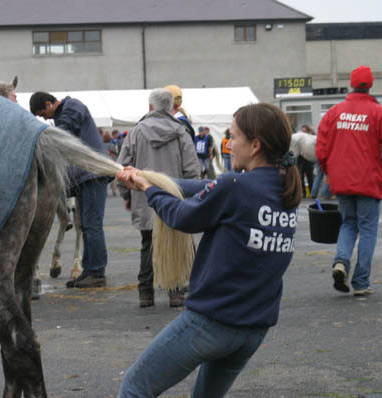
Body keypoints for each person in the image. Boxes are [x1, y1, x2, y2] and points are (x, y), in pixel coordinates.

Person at [116, 103, 302, 397]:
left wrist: (150, 191)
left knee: (135, 387)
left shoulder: (236, 186)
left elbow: (181, 217)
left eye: (234, 136)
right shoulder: (284, 189)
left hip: (211, 323)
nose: (229, 144)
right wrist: (153, 179)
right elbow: (208, 186)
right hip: (253, 329)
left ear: (255, 145)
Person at [316, 65, 382, 296]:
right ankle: (361, 282)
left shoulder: (334, 112)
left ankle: (341, 261)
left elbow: (322, 147)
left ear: (351, 84)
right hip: (368, 180)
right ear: (371, 85)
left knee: (348, 223)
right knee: (367, 229)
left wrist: (328, 170)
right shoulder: (379, 113)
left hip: (342, 180)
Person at [117, 89, 200, 308]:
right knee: (177, 244)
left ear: (150, 106)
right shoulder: (181, 132)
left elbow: (122, 167)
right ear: (172, 106)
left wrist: (127, 195)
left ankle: (145, 293)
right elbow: (192, 170)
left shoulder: (135, 132)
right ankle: (176, 292)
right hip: (175, 198)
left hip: (145, 199)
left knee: (148, 244)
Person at [29, 91, 109, 288]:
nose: (44, 118)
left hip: (92, 173)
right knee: (86, 225)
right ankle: (89, 270)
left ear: (49, 104)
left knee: (92, 225)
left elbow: (62, 135)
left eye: (42, 113)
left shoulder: (72, 107)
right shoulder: (65, 113)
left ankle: (97, 271)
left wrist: (38, 139)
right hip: (85, 177)